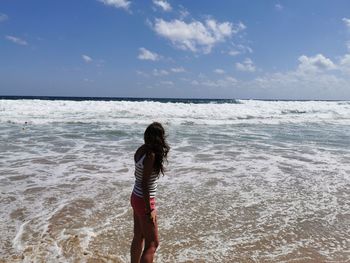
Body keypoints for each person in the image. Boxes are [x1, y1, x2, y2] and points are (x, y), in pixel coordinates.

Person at [130, 122, 170, 263]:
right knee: (152, 244)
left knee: (138, 236)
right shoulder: (151, 156)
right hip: (144, 200)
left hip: (135, 196)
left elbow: (139, 178)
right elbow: (145, 183)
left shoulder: (141, 150)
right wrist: (149, 209)